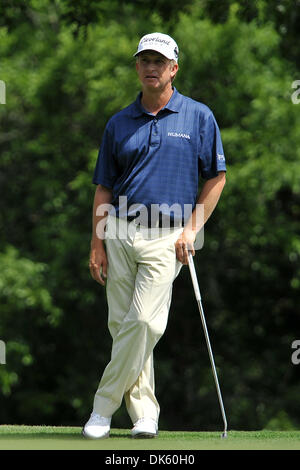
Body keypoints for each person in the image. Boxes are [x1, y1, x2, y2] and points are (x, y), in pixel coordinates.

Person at [83, 32, 226, 439]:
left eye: (159, 62)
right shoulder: (119, 122)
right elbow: (104, 187)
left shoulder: (198, 116)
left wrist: (192, 230)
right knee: (123, 325)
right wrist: (96, 242)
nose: (151, 67)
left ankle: (101, 408)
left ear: (173, 68)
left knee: (144, 321)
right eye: (144, 60)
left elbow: (217, 178)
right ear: (137, 67)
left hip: (170, 234)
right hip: (119, 230)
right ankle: (145, 415)